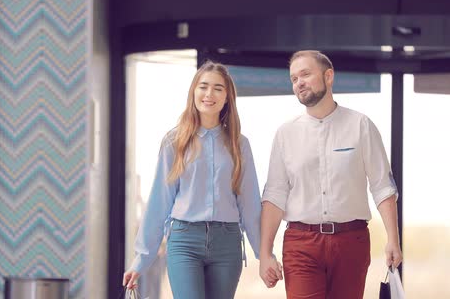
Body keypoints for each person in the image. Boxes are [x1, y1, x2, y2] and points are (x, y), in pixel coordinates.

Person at [258, 50, 403, 298]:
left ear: (329, 76)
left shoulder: (361, 125)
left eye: (305, 74)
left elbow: (382, 186)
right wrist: (265, 253)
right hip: (301, 243)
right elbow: (275, 195)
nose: (299, 82)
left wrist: (393, 239)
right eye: (293, 78)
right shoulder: (286, 134)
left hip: (351, 242)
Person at [122, 61, 262, 299]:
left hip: (226, 243)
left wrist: (264, 254)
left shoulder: (240, 144)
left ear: (227, 97)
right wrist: (141, 259)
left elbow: (249, 203)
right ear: (193, 92)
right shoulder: (174, 141)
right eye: (203, 86)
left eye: (218, 88)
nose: (209, 94)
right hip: (184, 240)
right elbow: (159, 202)